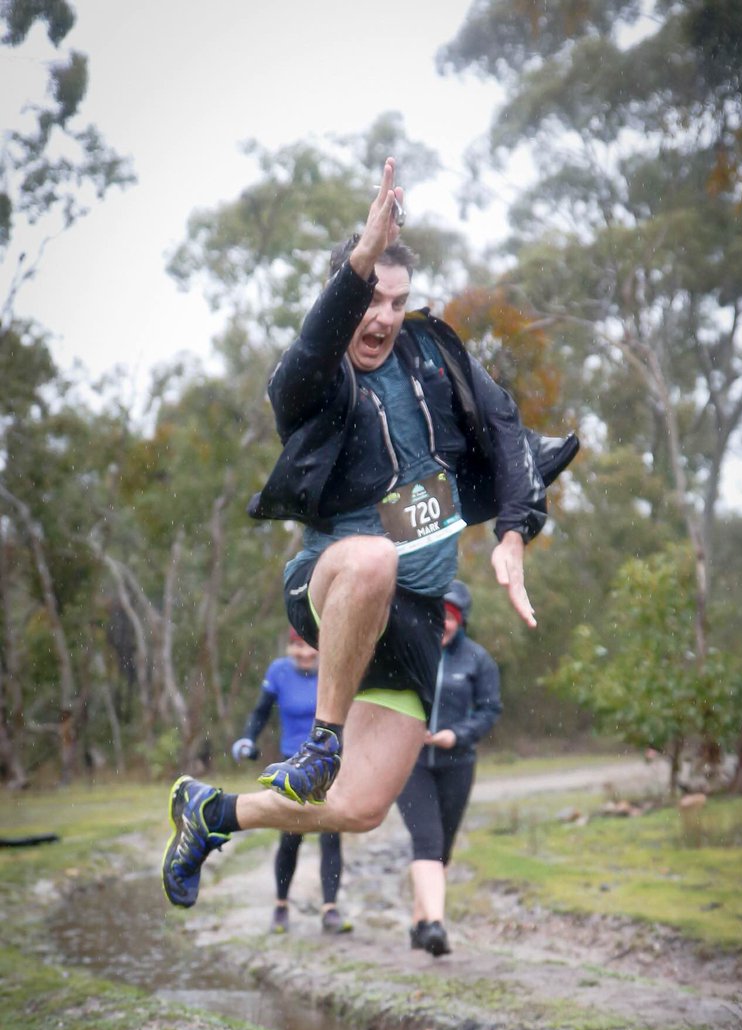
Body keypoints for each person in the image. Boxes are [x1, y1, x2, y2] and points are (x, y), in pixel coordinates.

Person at [162, 156, 578, 910]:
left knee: (359, 808)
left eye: (397, 300)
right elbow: (303, 360)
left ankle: (209, 813)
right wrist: (356, 265)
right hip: (334, 578)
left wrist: (514, 532)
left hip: (413, 620)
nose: (383, 316)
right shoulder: (316, 380)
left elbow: (506, 427)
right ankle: (320, 743)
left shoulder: (432, 352)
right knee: (375, 557)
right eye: (369, 298)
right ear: (345, 294)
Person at [397, 580, 501, 957]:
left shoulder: (477, 660)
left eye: (451, 617)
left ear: (462, 620)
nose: (443, 623)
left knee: (443, 848)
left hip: (458, 763)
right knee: (427, 840)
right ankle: (436, 928)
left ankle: (419, 922)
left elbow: (490, 710)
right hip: (409, 763)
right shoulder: (408, 651)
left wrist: (457, 735)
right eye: (438, 615)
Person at [232, 630, 352, 935]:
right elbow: (260, 712)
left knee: (330, 834)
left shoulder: (333, 670)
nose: (304, 653)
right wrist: (248, 737)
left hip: (329, 764)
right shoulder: (279, 672)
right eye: (297, 646)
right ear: (288, 646)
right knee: (290, 836)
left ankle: (330, 909)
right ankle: (281, 906)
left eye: (310, 646)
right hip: (292, 764)